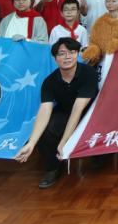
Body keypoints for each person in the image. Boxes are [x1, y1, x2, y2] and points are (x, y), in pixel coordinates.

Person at [15, 38, 98, 188]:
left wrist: (64, 141)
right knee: (45, 129)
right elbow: (44, 111)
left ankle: (101, 157)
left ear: (77, 54)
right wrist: (31, 143)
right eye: (62, 53)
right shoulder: (49, 81)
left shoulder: (88, 73)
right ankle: (52, 169)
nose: (67, 57)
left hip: (91, 115)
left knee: (100, 160)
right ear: (55, 58)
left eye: (71, 52)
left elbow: (78, 110)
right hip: (65, 113)